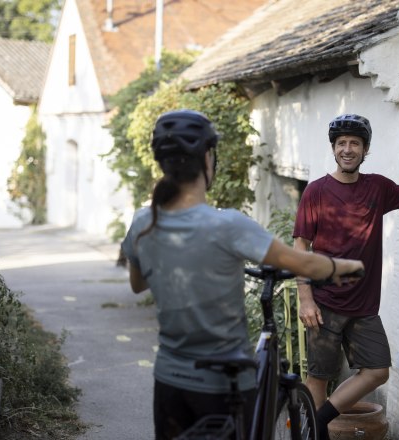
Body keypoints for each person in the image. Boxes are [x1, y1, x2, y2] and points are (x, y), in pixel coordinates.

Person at [120, 109, 365, 440]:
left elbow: (138, 285)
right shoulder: (228, 225)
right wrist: (347, 267)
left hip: (169, 381)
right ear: (209, 159)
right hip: (223, 385)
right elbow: (303, 263)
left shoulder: (141, 222)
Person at [292, 113, 399, 439]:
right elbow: (301, 246)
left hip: (363, 306)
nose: (347, 149)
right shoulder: (316, 192)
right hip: (324, 302)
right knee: (318, 377)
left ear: (365, 149)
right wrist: (305, 298)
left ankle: (318, 419)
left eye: (354, 143)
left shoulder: (377, 188)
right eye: (341, 143)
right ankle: (316, 433)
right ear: (333, 148)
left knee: (377, 371)